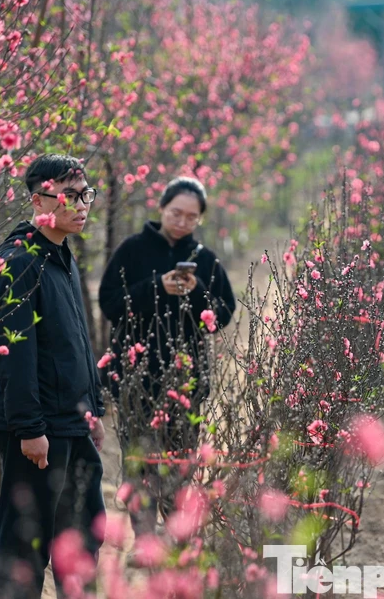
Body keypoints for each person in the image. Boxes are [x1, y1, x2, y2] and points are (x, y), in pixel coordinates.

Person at [0, 154, 107, 599]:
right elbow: (14, 355)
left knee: (82, 535)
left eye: (85, 194)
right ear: (39, 199)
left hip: (71, 419)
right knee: (26, 545)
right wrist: (30, 428)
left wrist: (95, 410)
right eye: (70, 196)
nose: (82, 205)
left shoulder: (61, 256)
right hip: (37, 428)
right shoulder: (17, 262)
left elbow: (75, 341)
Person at [98, 176, 236, 535]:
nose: (182, 222)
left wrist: (195, 292)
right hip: (135, 379)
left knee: (180, 463)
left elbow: (222, 313)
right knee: (140, 462)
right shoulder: (131, 250)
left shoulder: (203, 259)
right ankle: (145, 539)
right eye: (176, 213)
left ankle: (176, 540)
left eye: (192, 217)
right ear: (161, 208)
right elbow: (110, 303)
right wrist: (155, 287)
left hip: (185, 381)